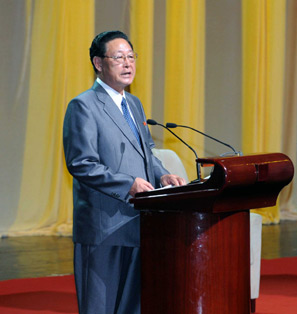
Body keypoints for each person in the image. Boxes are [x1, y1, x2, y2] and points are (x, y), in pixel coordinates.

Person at [63, 30, 186, 314]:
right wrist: (128, 184)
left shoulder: (134, 104)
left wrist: (162, 175)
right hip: (104, 225)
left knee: (134, 306)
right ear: (98, 62)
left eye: (131, 57)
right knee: (101, 307)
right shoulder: (83, 106)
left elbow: (147, 152)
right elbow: (81, 163)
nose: (128, 64)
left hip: (139, 222)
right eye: (118, 57)